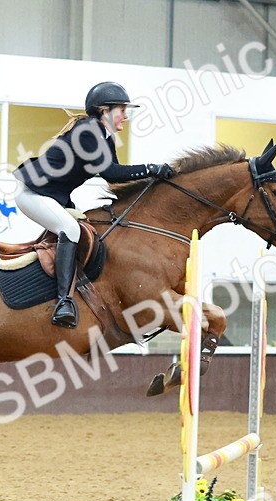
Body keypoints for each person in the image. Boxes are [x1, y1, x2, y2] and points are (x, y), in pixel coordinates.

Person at [14, 81, 174, 328]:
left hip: (54, 196)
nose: (125, 117)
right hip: (33, 194)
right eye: (122, 110)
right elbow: (110, 172)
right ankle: (63, 302)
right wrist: (151, 169)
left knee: (88, 228)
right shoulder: (88, 131)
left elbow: (115, 177)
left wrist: (153, 181)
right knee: (70, 230)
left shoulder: (105, 137)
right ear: (104, 111)